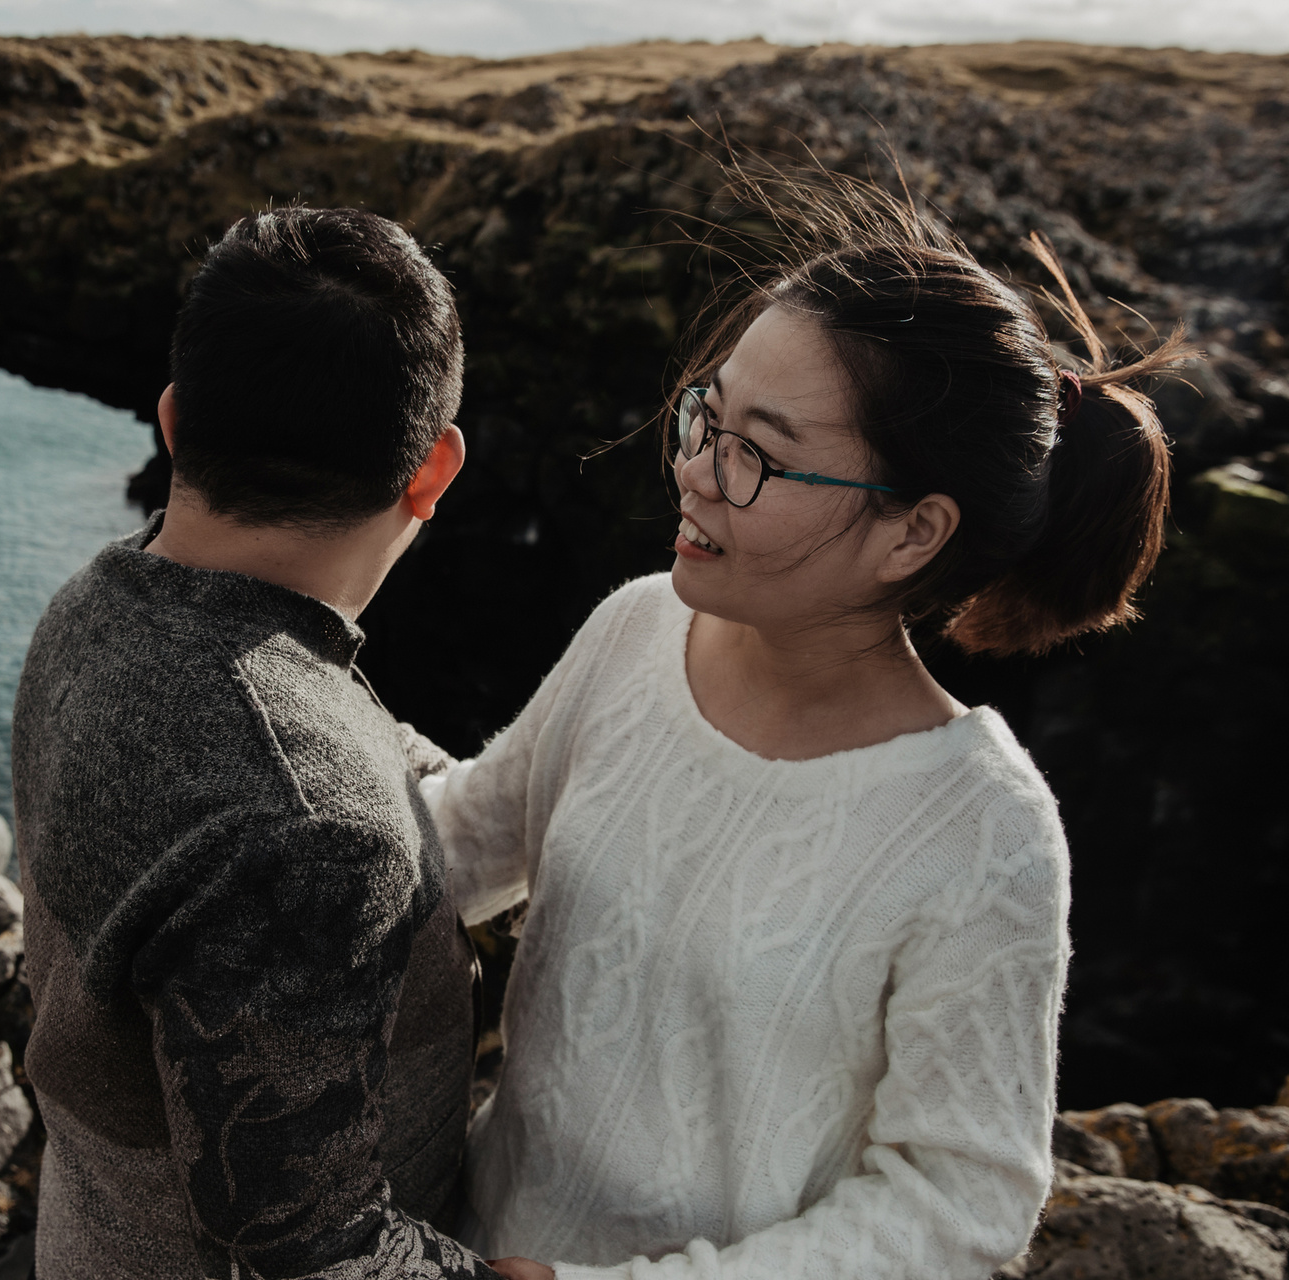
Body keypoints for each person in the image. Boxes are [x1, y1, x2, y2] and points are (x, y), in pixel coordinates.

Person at [422, 185, 1191, 1280]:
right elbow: (462, 844)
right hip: (463, 1243)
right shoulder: (640, 625)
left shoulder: (983, 835)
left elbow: (962, 1199)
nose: (694, 468)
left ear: (913, 532)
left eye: (759, 454)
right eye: (707, 414)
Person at [11, 206, 523, 1279]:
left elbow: (296, 746)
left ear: (173, 419)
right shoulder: (314, 828)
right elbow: (311, 1254)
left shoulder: (93, 606)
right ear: (434, 472)